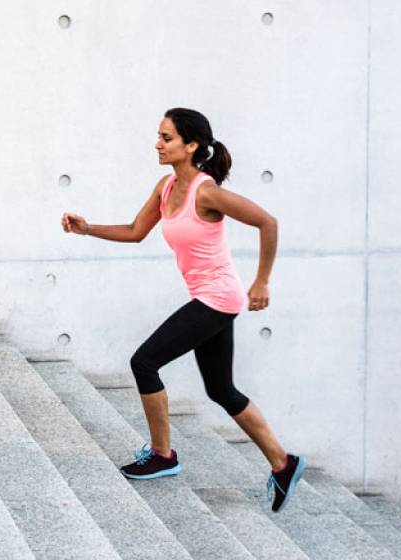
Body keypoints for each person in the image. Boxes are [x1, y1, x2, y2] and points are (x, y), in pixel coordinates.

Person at [60, 107, 305, 512]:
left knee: (144, 361)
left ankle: (162, 455)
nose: (158, 144)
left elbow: (268, 222)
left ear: (191, 145)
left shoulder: (207, 193)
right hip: (209, 298)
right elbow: (136, 232)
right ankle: (283, 463)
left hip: (218, 298)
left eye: (167, 138)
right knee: (220, 389)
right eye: (158, 136)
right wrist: (88, 229)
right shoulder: (166, 186)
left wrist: (261, 281)